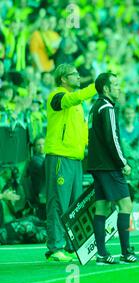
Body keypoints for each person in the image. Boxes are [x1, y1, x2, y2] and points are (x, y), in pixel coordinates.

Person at [87, 72, 139, 265]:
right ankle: (126, 252)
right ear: (106, 88)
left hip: (96, 164)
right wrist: (123, 163)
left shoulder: (95, 107)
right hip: (109, 166)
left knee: (101, 207)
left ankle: (101, 254)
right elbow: (112, 139)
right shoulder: (107, 108)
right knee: (125, 205)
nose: (119, 88)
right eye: (116, 85)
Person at [44, 63, 97, 262]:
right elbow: (70, 99)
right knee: (58, 202)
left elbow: (82, 130)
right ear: (63, 78)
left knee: (74, 206)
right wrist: (94, 87)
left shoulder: (78, 104)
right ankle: (54, 248)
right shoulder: (57, 96)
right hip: (59, 156)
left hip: (75, 158)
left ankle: (69, 246)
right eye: (73, 74)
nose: (77, 76)